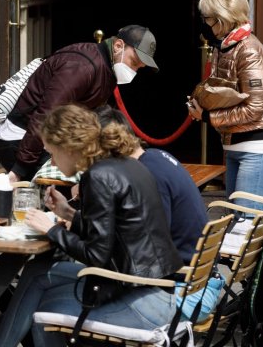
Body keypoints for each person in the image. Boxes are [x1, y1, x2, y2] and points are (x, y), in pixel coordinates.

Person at [0, 104, 183, 347]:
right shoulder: (126, 164)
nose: (52, 160)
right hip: (153, 289)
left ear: (69, 148)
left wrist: (51, 230)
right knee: (36, 270)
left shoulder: (98, 177)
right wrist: (68, 212)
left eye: (52, 153)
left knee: (44, 310)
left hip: (140, 301)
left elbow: (96, 255)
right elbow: (119, 232)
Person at [0, 24, 160, 183]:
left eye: (139, 68)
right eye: (134, 62)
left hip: (50, 141)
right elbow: (46, 115)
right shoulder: (82, 67)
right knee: (78, 182)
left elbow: (100, 117)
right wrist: (20, 169)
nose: (134, 71)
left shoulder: (108, 67)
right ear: (118, 46)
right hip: (20, 140)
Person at [46, 105, 208, 264]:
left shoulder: (148, 173)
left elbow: (146, 246)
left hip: (180, 277)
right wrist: (69, 213)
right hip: (191, 267)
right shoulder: (153, 157)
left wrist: (53, 230)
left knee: (41, 272)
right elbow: (127, 236)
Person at [189, 0, 263, 211]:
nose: (206, 23)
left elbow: (254, 109)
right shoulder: (225, 47)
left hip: (256, 148)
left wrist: (208, 116)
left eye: (209, 18)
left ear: (223, 18)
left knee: (244, 223)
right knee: (236, 218)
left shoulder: (249, 50)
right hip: (235, 144)